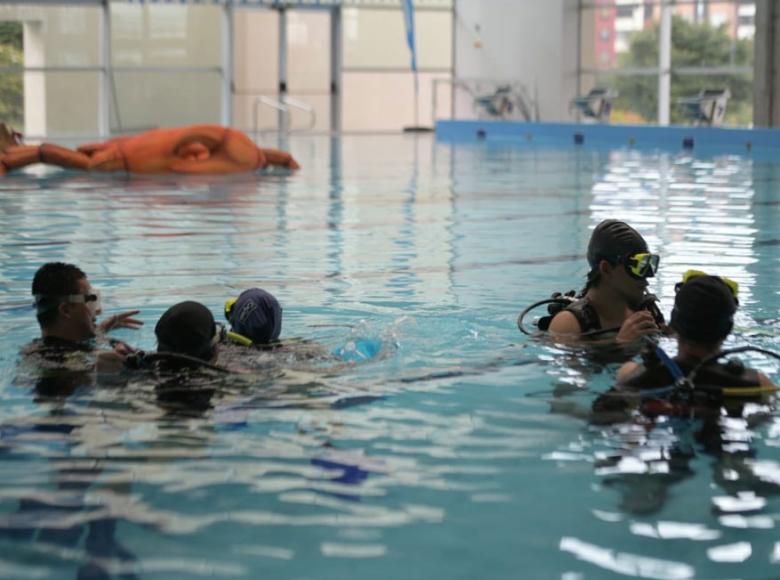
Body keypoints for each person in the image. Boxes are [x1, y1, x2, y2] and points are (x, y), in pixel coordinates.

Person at [593, 272, 774, 420]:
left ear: (674, 325)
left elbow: (602, 416)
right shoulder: (757, 384)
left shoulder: (633, 375)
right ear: (727, 330)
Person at [0, 123, 299, 176]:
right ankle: (22, 154)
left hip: (122, 155)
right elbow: (281, 157)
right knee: (80, 161)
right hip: (121, 158)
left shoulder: (185, 152)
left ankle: (15, 152)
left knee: (82, 159)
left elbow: (282, 157)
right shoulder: (184, 154)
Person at [22, 262, 143, 380]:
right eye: (90, 300)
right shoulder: (47, 360)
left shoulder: (37, 349)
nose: (98, 310)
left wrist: (101, 330)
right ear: (66, 310)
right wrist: (94, 368)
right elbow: (50, 392)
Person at [548, 219, 664, 343]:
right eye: (637, 267)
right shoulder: (568, 324)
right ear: (606, 269)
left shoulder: (646, 311)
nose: (646, 279)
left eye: (647, 265)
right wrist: (620, 343)